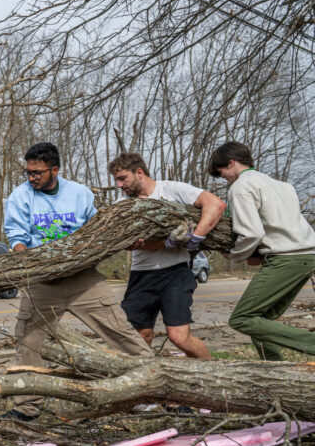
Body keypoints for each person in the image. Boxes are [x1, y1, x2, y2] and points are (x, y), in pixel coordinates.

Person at [2, 142, 153, 421]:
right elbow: (17, 237)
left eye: (37, 173)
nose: (31, 178)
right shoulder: (19, 197)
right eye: (28, 173)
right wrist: (28, 259)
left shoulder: (79, 193)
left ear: (55, 170)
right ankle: (25, 407)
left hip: (84, 279)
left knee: (122, 333)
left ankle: (156, 390)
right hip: (42, 282)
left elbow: (98, 230)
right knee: (28, 341)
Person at [109, 152, 226, 359]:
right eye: (116, 180)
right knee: (139, 336)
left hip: (176, 274)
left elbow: (216, 204)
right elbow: (126, 244)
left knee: (179, 337)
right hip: (141, 276)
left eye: (122, 178)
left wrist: (196, 237)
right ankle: (145, 383)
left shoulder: (171, 189)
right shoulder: (122, 205)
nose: (119, 185)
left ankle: (213, 374)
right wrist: (166, 242)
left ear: (139, 172)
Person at [208, 141, 315, 360]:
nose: (224, 179)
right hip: (307, 255)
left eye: (222, 173)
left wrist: (237, 255)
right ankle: (275, 372)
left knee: (242, 319)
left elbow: (251, 233)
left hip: (286, 258)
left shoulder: (240, 187)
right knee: (261, 320)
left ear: (231, 163)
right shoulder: (283, 185)